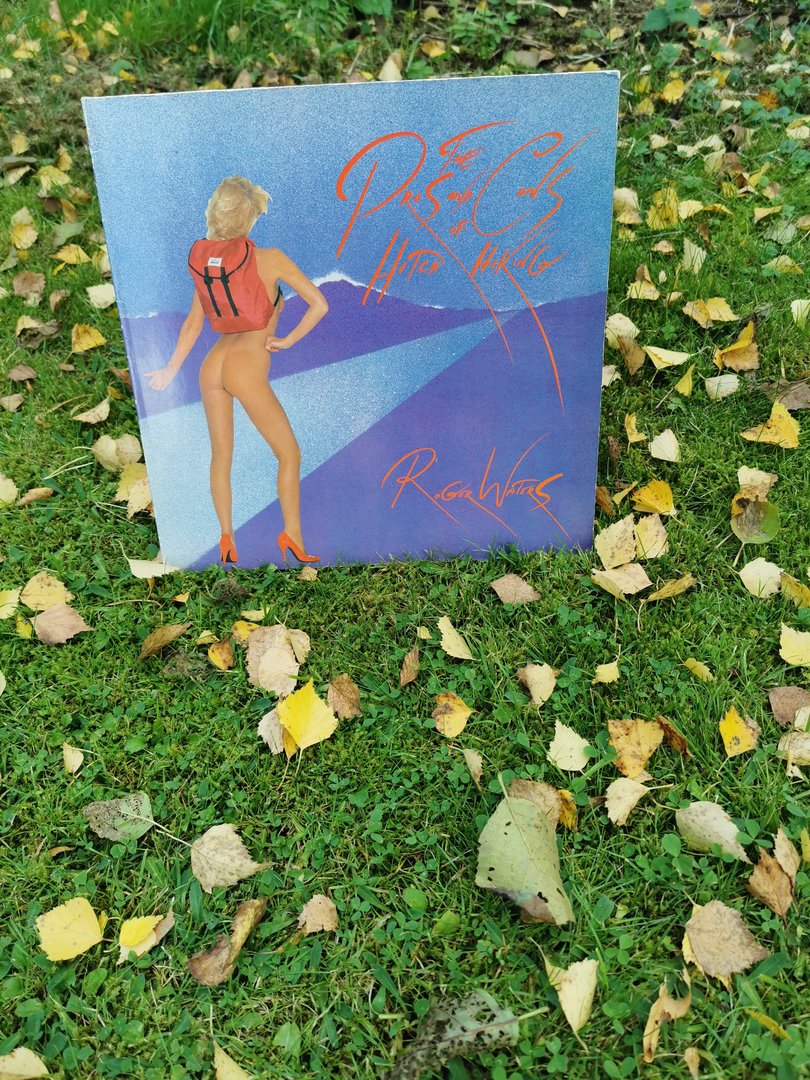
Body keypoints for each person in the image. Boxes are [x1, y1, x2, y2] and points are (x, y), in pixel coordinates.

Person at [145, 176, 328, 568]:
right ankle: (292, 535)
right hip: (246, 365)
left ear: (214, 213)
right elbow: (320, 305)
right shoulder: (271, 258)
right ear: (252, 217)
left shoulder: (208, 267)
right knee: (289, 453)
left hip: (213, 365)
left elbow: (193, 324)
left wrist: (169, 371)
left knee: (221, 456)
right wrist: (288, 340)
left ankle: (226, 536)